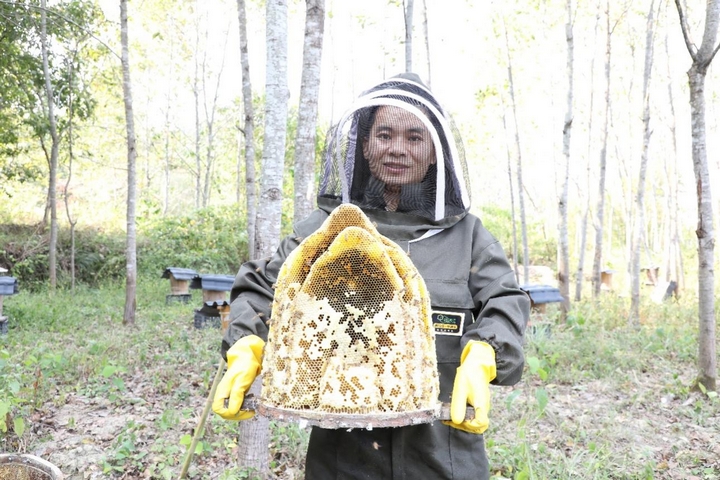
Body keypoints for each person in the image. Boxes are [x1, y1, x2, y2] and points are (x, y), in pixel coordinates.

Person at [212, 73, 529, 480]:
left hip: (444, 456)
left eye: (415, 138)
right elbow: (261, 289)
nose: (397, 149)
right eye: (384, 135)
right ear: (364, 146)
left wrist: (487, 351)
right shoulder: (326, 230)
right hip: (343, 456)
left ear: (434, 152)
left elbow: (505, 300)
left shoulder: (468, 237)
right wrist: (247, 341)